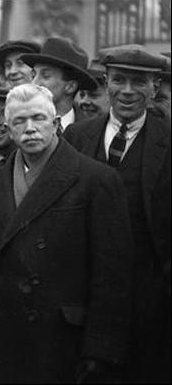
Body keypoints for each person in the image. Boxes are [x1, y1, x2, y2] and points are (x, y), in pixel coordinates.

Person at [0, 83, 134, 383]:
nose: (30, 129)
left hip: (62, 339)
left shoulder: (96, 180)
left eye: (38, 119)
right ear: (9, 130)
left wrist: (101, 348)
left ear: (55, 124)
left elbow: (113, 275)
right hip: (0, 336)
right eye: (19, 121)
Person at [63, 44, 170, 384]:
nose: (127, 91)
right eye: (119, 79)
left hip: (149, 303)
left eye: (138, 82)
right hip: (81, 296)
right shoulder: (76, 137)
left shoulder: (168, 141)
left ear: (154, 87)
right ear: (105, 81)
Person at [20, 37, 98, 133]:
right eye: (33, 75)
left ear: (70, 87)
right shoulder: (20, 125)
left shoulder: (92, 131)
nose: (35, 83)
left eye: (45, 76)